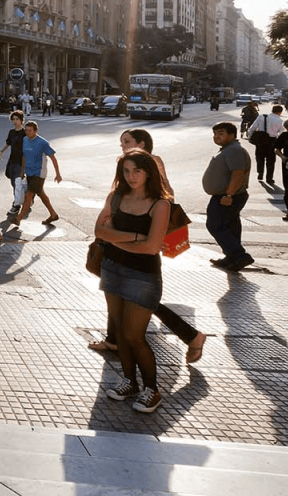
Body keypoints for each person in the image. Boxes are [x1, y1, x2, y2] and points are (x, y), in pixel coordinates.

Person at [89, 130, 208, 363]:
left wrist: (151, 225)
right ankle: (114, 339)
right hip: (127, 236)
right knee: (122, 294)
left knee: (142, 299)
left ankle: (190, 336)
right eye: (122, 142)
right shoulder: (127, 169)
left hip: (142, 238)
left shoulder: (152, 163)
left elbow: (167, 196)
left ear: (141, 144)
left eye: (127, 142)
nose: (123, 146)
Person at [94, 149, 171, 414]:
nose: (131, 176)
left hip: (143, 276)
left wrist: (116, 237)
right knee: (119, 331)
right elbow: (98, 231)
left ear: (149, 171)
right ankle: (130, 381)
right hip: (112, 269)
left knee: (133, 335)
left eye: (137, 170)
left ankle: (152, 389)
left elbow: (152, 248)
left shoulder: (160, 204)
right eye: (126, 171)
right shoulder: (116, 196)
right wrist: (136, 237)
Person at [201, 122, 253, 271]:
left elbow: (237, 173)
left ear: (231, 135)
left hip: (228, 196)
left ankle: (239, 255)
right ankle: (232, 258)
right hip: (227, 195)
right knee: (230, 227)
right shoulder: (229, 149)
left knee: (215, 225)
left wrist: (229, 195)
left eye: (221, 133)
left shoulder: (234, 150)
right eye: (215, 133)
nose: (216, 137)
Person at [13, 120, 62, 224]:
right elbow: (24, 156)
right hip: (29, 173)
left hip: (39, 173)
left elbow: (53, 158)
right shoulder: (25, 140)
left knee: (28, 196)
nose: (27, 132)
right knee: (41, 194)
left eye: (30, 131)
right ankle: (53, 214)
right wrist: (22, 172)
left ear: (35, 131)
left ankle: (18, 219)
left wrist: (58, 174)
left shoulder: (42, 143)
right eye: (26, 130)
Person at [0, 111, 28, 219]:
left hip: (21, 162)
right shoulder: (11, 132)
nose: (15, 121)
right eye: (13, 119)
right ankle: (26, 200)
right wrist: (1, 151)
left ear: (21, 120)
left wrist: (24, 167)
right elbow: (8, 143)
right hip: (12, 161)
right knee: (14, 183)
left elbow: (27, 149)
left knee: (17, 184)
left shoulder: (25, 133)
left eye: (17, 119)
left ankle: (16, 205)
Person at [247, 104, 284, 184]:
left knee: (259, 157)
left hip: (260, 140)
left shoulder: (261, 116)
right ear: (280, 112)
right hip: (271, 141)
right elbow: (281, 132)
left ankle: (260, 173)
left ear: (272, 110)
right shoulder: (279, 120)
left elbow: (253, 127)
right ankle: (269, 178)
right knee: (271, 160)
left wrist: (250, 136)